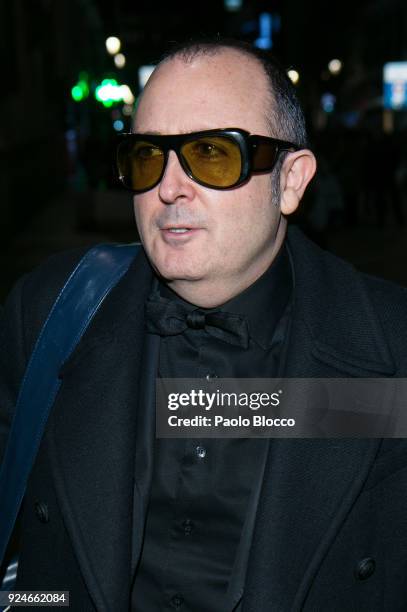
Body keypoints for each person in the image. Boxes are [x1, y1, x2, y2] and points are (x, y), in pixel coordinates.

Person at [1, 37, 407, 612]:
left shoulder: (393, 350)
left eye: (213, 154)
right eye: (147, 156)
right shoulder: (50, 314)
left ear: (291, 180)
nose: (168, 188)